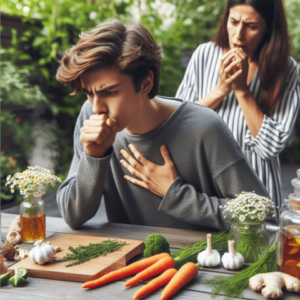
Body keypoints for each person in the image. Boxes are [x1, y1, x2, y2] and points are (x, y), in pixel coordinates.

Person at [56, 19, 272, 232]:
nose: (97, 108)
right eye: (89, 93)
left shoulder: (204, 128)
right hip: (132, 262)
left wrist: (176, 195)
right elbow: (73, 216)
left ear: (145, 83)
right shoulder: (90, 117)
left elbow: (264, 216)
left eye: (110, 92)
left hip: (206, 263)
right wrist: (94, 157)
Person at [176, 0, 300, 215]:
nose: (238, 35)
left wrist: (242, 90)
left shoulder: (286, 69)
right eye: (233, 22)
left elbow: (270, 147)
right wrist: (221, 90)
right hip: (205, 194)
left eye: (251, 26)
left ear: (268, 28)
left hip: (258, 199)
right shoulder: (205, 54)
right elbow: (177, 126)